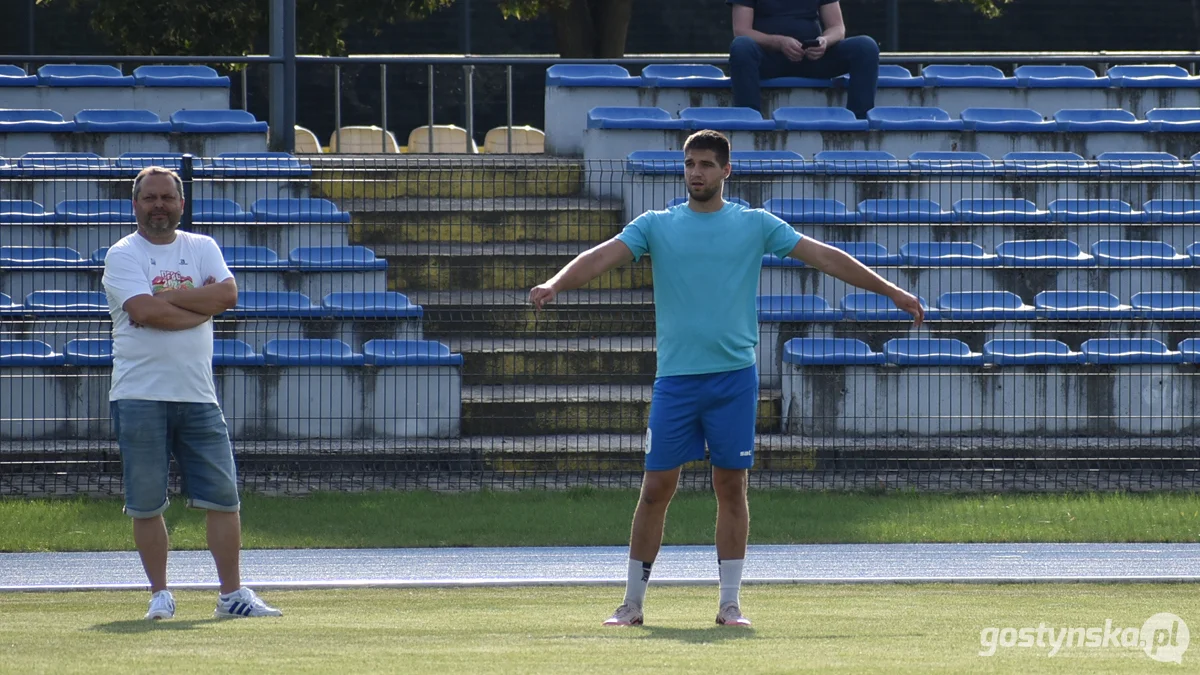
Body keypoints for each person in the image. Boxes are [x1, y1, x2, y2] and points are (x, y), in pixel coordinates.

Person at [529, 130, 922, 627]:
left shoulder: (754, 225)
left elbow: (824, 256)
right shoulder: (657, 225)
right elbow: (601, 256)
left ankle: (730, 603)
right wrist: (556, 281)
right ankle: (631, 603)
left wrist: (892, 292)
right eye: (690, 163)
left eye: (707, 164)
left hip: (733, 380)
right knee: (655, 488)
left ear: (726, 172)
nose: (696, 172)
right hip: (676, 380)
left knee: (731, 487)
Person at [102, 166, 281, 621]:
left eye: (167, 197)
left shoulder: (203, 247)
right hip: (139, 394)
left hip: (199, 396)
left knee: (224, 497)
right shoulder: (123, 253)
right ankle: (160, 593)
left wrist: (169, 301)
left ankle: (231, 596)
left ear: (181, 203)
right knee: (146, 501)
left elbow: (227, 295)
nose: (158, 205)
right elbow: (144, 310)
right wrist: (196, 306)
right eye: (149, 198)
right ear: (135, 204)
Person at [727, 0, 880, 119]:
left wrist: (824, 41)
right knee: (741, 46)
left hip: (813, 58)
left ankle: (859, 121)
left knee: (866, 47)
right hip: (768, 59)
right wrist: (779, 43)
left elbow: (837, 28)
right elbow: (742, 31)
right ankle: (749, 119)